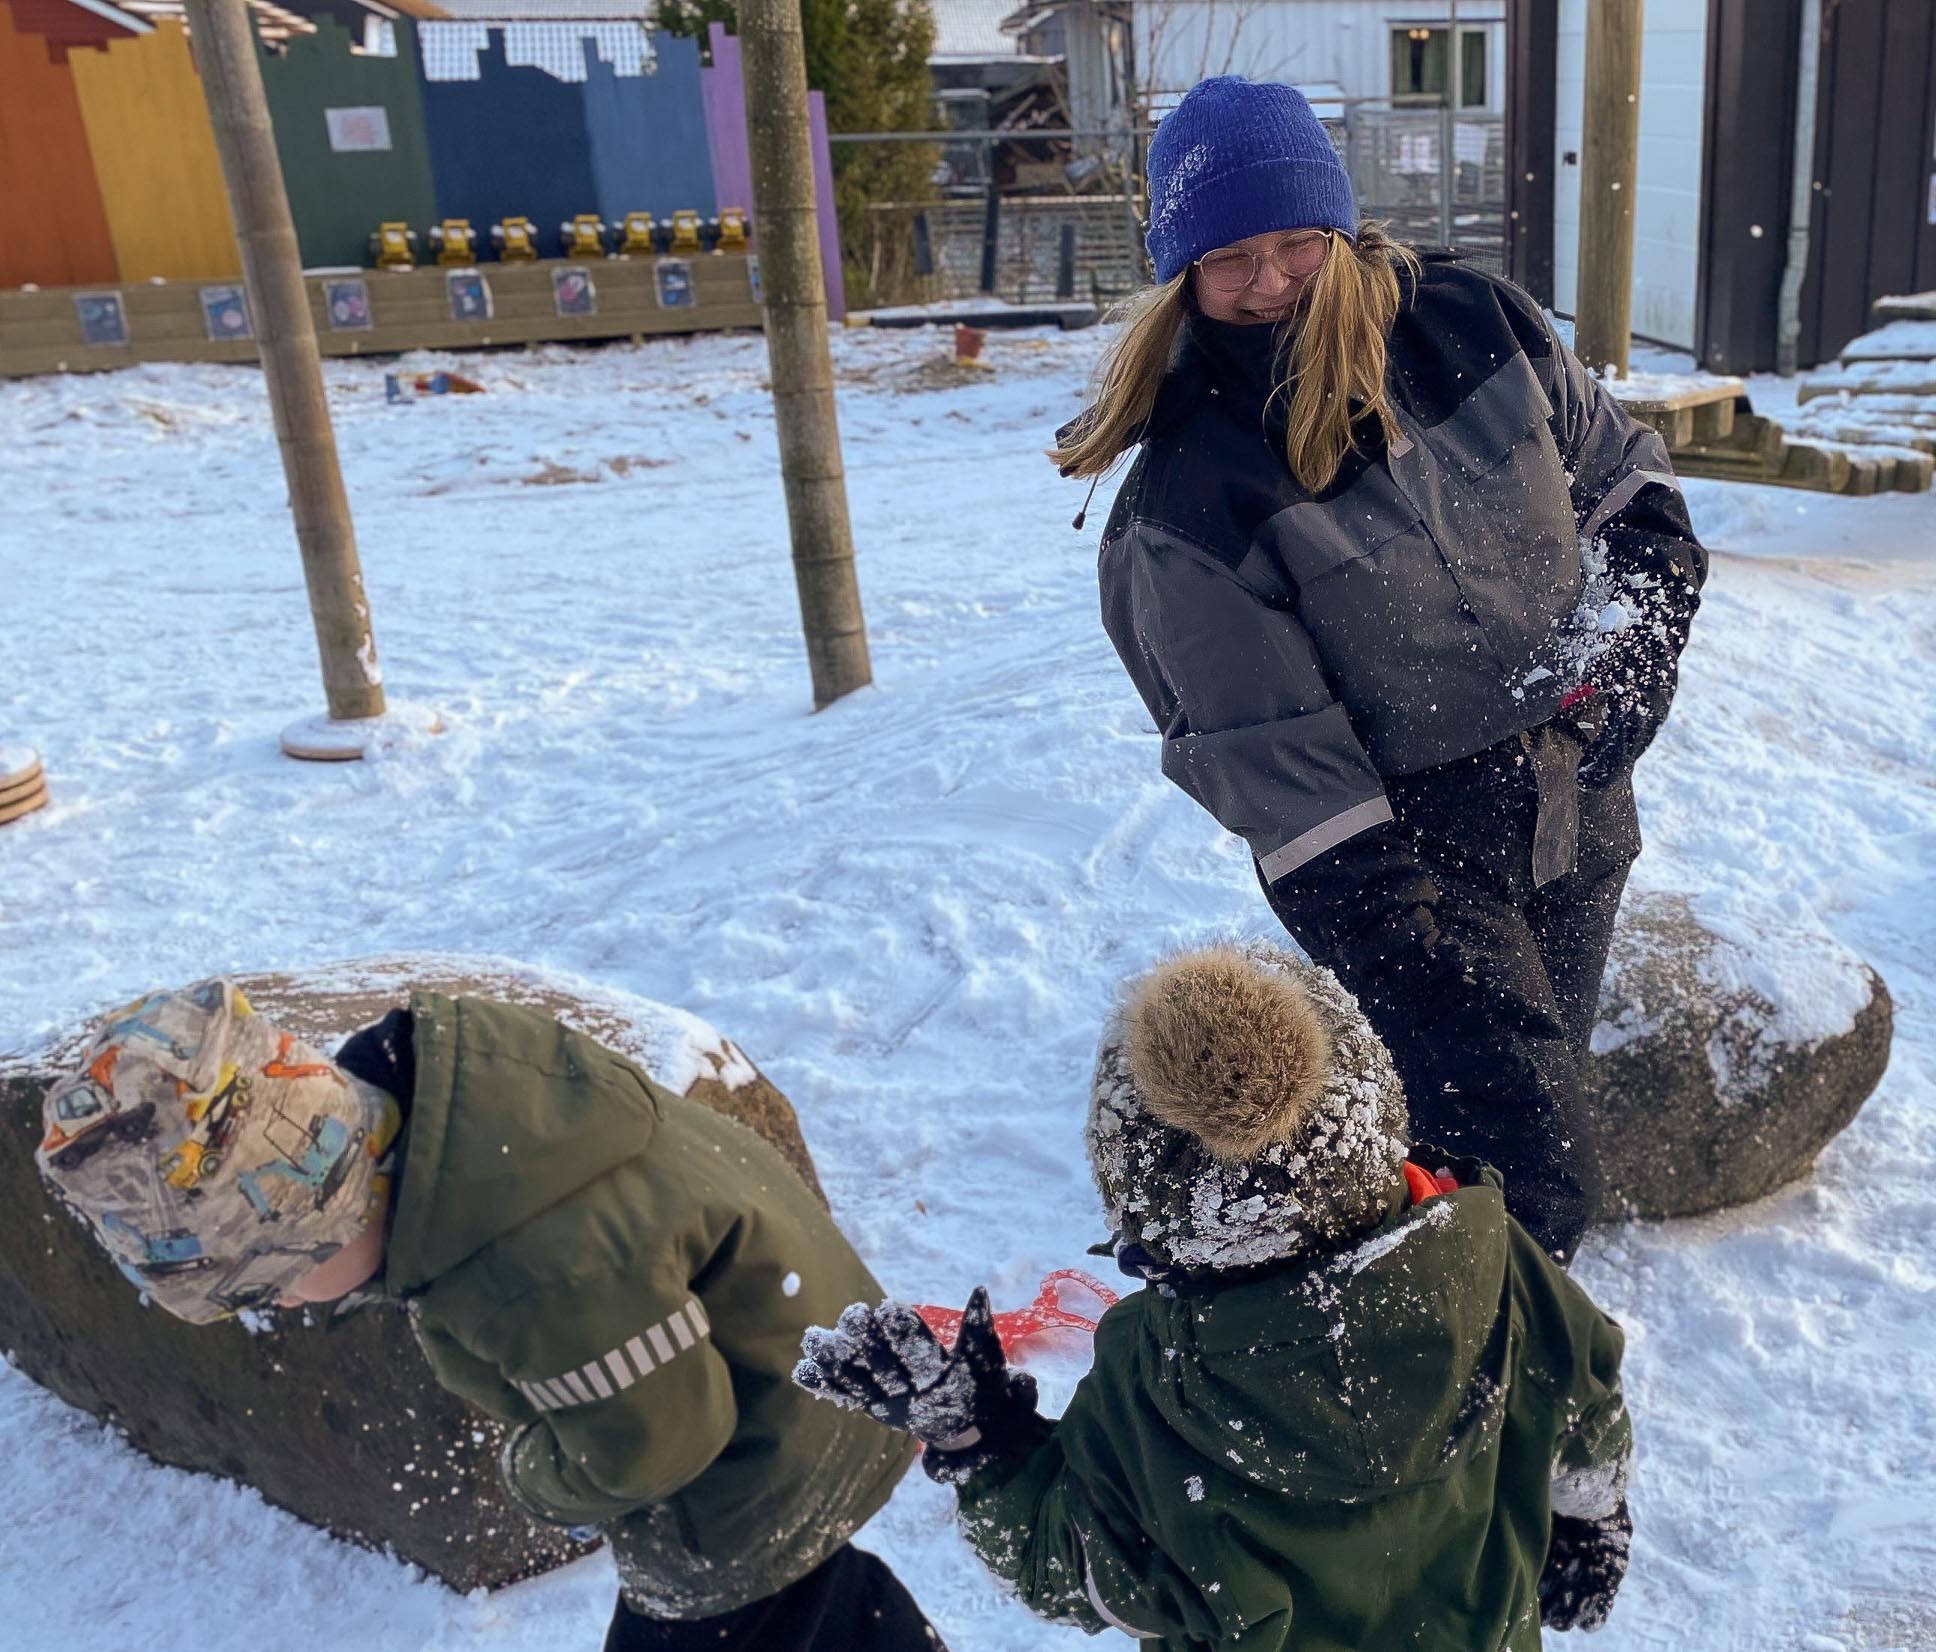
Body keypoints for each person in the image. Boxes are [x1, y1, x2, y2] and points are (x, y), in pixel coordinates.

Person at [1057, 77, 1709, 1264]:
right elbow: (1282, 774)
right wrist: (1422, 961)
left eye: (1295, 243)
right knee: (1523, 1157)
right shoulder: (1187, 504)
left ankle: (1477, 1284)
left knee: (1539, 1089)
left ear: (1340, 227)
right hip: (1408, 856)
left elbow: (1624, 485)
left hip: (1579, 787)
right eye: (1228, 258)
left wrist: (1631, 648)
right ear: (1178, 272)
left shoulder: (1477, 321)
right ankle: (1458, 1367)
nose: (1268, 283)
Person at [34, 978, 941, 1652]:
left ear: (324, 1216)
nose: (280, 1305)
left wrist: (538, 1473)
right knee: (808, 1614)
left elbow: (652, 1444)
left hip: (764, 1457)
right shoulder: (465, 1121)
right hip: (792, 1370)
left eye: (268, 1281)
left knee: (727, 1622)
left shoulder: (529, 1271)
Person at [794, 942, 1636, 1651]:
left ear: (1154, 1218)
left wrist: (981, 1440)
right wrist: (1592, 1518)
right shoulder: (1500, 1268)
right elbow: (1587, 1416)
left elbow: (1076, 1570)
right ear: (1374, 1113)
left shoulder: (1150, 1385)